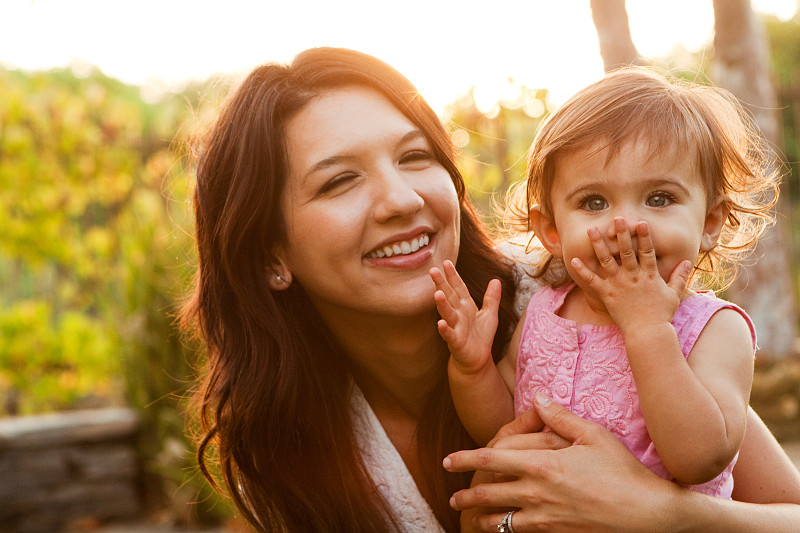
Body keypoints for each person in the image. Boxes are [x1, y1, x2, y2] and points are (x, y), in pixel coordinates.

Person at [180, 47, 800, 532]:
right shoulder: (286, 433)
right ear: (271, 256)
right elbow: (510, 418)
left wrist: (669, 517)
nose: (402, 199)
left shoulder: (593, 302)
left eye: (415, 156)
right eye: (340, 181)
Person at [431, 68, 771, 500]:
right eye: (594, 202)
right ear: (551, 230)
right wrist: (473, 370)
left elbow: (700, 458)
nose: (623, 225)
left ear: (709, 222)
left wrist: (648, 329)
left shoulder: (715, 329)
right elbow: (503, 427)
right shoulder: (544, 313)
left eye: (659, 198)